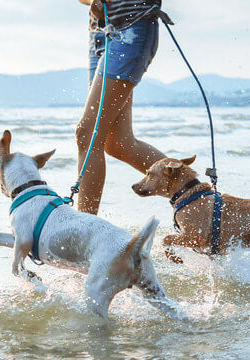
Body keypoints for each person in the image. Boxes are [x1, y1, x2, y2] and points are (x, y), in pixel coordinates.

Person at [75, 0, 167, 215]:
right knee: (119, 144)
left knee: (87, 134)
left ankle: (83, 230)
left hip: (132, 28)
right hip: (100, 34)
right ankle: (200, 197)